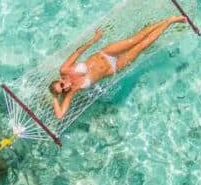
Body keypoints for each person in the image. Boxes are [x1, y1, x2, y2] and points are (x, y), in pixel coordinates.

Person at [50, 15, 186, 119]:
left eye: (61, 85)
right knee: (143, 45)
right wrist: (55, 97)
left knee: (137, 38)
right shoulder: (72, 92)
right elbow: (60, 115)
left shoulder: (64, 70)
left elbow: (78, 52)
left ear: (59, 79)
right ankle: (170, 21)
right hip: (114, 67)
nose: (65, 87)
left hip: (106, 53)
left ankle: (167, 19)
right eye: (62, 90)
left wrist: (94, 40)